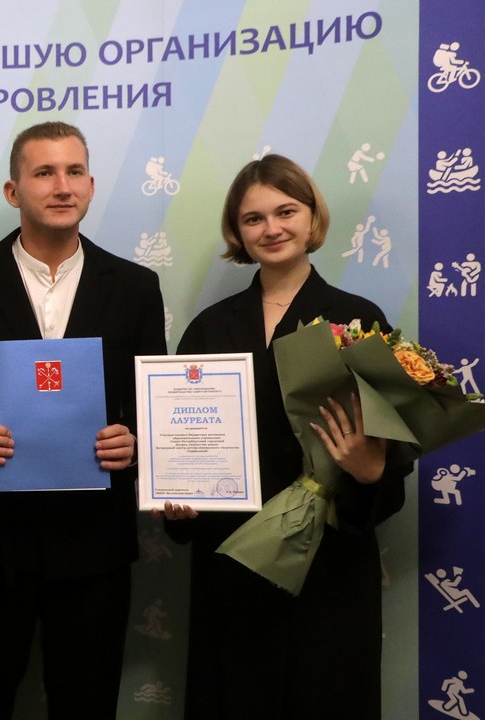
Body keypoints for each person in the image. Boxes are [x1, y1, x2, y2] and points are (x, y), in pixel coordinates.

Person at [0, 121, 167, 719]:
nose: (63, 186)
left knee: (87, 706)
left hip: (94, 547)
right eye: (44, 173)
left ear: (91, 185)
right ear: (13, 191)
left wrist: (136, 441)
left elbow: (152, 403)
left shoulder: (136, 287)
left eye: (74, 171)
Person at [159, 154, 409, 719]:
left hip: (329, 560)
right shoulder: (210, 327)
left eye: (286, 211)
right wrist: (177, 499)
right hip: (233, 557)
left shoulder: (357, 319)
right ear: (237, 232)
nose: (271, 228)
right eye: (253, 218)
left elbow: (393, 451)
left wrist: (372, 471)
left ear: (312, 217)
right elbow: (179, 439)